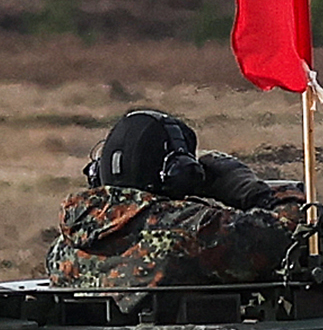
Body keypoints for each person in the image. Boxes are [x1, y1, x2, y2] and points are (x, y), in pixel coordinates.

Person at [44, 108, 309, 295]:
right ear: (180, 174)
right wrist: (250, 191)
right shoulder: (195, 231)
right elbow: (304, 231)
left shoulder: (66, 246)